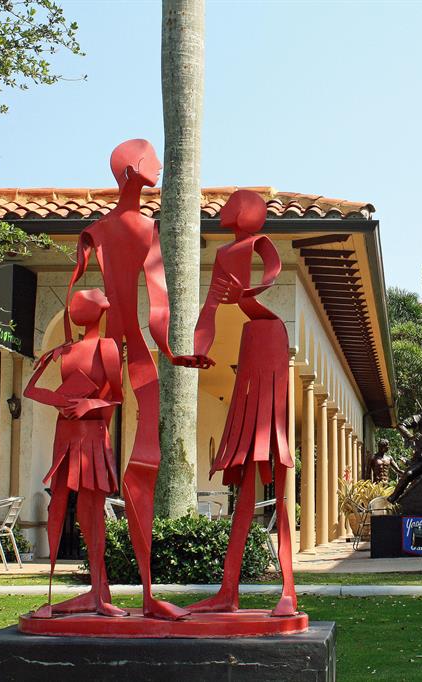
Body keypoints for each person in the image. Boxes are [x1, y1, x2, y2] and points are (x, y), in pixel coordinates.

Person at [60, 139, 208, 620]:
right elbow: (155, 304)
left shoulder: (107, 231)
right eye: (151, 161)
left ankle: (138, 593)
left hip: (118, 353)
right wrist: (168, 353)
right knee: (98, 477)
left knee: (142, 464)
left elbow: (150, 303)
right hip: (123, 354)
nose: (159, 167)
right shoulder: (121, 231)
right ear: (133, 169)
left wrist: (174, 354)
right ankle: (102, 591)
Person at [186, 189, 297, 617]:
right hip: (252, 350)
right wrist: (198, 349)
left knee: (277, 476)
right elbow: (210, 309)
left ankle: (288, 590)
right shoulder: (224, 255)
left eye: (234, 203)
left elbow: (266, 284)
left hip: (270, 343)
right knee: (245, 483)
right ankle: (227, 591)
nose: (225, 208)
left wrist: (245, 294)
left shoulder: (260, 245)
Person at [24, 289, 124, 618]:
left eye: (82, 304)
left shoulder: (107, 348)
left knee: (91, 510)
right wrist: (57, 395)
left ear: (97, 310)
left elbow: (117, 397)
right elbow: (31, 388)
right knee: (60, 505)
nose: (75, 309)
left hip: (92, 435)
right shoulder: (65, 351)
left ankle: (100, 592)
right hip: (66, 434)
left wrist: (89, 404)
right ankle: (61, 593)